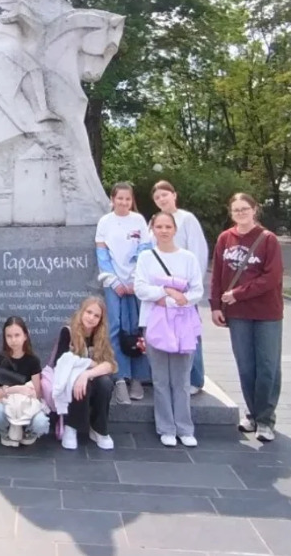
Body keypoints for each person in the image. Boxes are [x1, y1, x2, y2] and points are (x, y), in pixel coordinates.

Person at [210, 193, 284, 443]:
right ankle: (252, 413)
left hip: (266, 312)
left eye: (245, 209)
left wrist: (238, 294)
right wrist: (216, 305)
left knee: (267, 366)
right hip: (237, 313)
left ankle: (266, 419)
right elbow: (218, 275)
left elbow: (271, 277)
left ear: (254, 210)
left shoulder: (268, 239)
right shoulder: (225, 238)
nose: (241, 213)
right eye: (236, 210)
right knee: (245, 365)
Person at [135, 212, 204, 447]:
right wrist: (167, 292)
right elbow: (141, 288)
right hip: (155, 324)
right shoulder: (146, 257)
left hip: (183, 324)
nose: (163, 231)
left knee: (181, 379)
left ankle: (185, 428)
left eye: (168, 226)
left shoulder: (188, 258)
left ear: (174, 229)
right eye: (159, 227)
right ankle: (166, 427)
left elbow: (196, 291)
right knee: (160, 379)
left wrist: (173, 301)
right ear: (152, 230)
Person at [95, 182, 153, 404]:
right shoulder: (105, 222)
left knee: (138, 327)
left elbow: (144, 251)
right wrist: (114, 281)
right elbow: (102, 254)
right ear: (112, 199)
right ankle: (119, 377)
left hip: (137, 282)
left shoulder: (138, 221)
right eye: (120, 198)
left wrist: (135, 279)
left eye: (128, 199)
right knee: (115, 327)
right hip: (114, 283)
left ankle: (138, 377)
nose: (124, 202)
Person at [151, 181, 210, 396]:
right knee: (167, 333)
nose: (162, 199)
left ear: (174, 195)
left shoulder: (187, 219)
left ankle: (195, 377)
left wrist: (193, 286)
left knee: (190, 332)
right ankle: (175, 377)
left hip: (184, 288)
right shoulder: (154, 222)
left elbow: (198, 252)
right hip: (163, 290)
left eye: (165, 194)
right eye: (157, 197)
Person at [51, 296, 117, 450]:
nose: (91, 318)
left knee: (105, 383)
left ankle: (99, 429)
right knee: (81, 384)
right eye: (89, 312)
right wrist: (89, 366)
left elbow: (110, 365)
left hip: (91, 379)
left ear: (101, 320)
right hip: (69, 383)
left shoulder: (101, 336)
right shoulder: (67, 332)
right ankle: (71, 427)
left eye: (96, 316)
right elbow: (61, 362)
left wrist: (86, 374)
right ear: (81, 312)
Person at [0, 316, 49, 447]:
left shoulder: (33, 361)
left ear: (25, 336)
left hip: (26, 408)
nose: (13, 340)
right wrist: (16, 389)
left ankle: (28, 432)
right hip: (5, 405)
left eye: (17, 335)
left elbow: (36, 394)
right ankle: (5, 432)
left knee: (41, 423)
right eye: (9, 336)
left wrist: (6, 392)